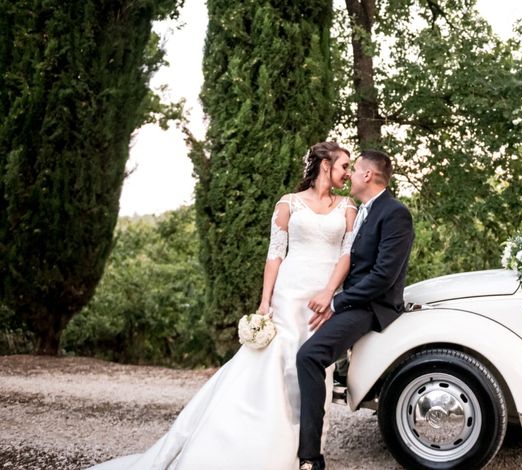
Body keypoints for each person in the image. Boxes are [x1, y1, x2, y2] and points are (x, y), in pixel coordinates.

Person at [90, 141, 357, 470]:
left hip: (323, 295)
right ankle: (266, 441)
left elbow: (346, 255)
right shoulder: (288, 204)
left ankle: (309, 449)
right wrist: (264, 303)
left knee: (318, 368)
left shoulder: (348, 207)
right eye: (344, 165)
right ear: (325, 165)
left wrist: (331, 292)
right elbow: (275, 254)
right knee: (279, 363)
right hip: (288, 292)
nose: (348, 172)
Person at [297, 150, 415, 470]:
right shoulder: (364, 210)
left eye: (354, 169)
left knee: (309, 356)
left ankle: (310, 457)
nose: (348, 175)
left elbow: (382, 277)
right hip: (354, 300)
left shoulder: (395, 213)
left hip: (371, 307)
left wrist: (335, 302)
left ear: (367, 175)